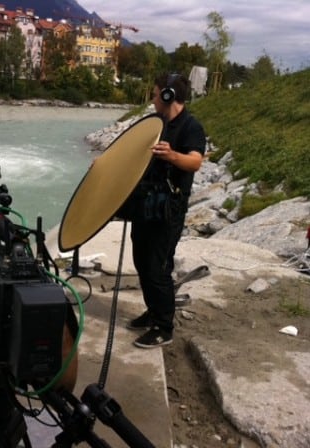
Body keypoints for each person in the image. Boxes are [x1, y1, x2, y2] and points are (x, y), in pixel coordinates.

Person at [128, 73, 207, 348]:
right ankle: (153, 311)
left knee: (157, 266)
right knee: (141, 259)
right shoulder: (156, 124)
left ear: (168, 96)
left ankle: (164, 327)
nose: (152, 99)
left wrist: (172, 155)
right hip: (145, 205)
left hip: (168, 210)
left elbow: (195, 162)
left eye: (155, 94)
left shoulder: (190, 127)